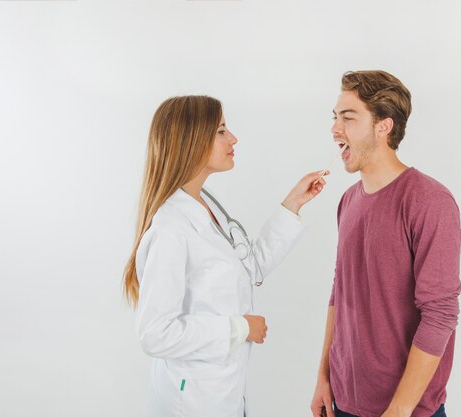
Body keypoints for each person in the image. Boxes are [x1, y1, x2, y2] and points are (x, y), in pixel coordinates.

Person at [123, 95, 326, 417]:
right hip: (192, 403)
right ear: (191, 140)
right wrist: (240, 328)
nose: (233, 138)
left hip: (224, 393)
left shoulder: (205, 204)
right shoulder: (170, 229)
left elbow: (249, 266)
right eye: (221, 131)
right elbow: (155, 335)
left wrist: (292, 205)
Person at [310, 71, 461, 417]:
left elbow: (440, 315)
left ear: (384, 126)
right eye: (335, 117)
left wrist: (399, 410)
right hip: (344, 402)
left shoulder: (429, 201)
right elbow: (340, 291)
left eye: (348, 117)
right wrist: (323, 376)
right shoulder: (348, 200)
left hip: (405, 411)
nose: (335, 128)